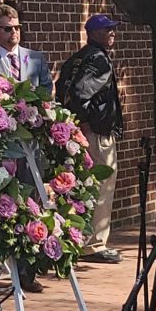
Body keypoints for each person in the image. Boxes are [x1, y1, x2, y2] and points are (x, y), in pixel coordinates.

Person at [57, 14, 124, 264]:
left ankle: (77, 238)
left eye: (112, 29)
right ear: (93, 33)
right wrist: (85, 123)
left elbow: (61, 88)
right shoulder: (98, 60)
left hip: (77, 133)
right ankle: (93, 244)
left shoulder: (77, 58)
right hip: (95, 133)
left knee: (81, 186)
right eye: (107, 29)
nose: (112, 33)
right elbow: (79, 93)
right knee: (102, 186)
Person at [0, 3, 52, 89]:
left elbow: (47, 91)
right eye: (8, 28)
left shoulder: (37, 59)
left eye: (17, 27)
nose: (14, 32)